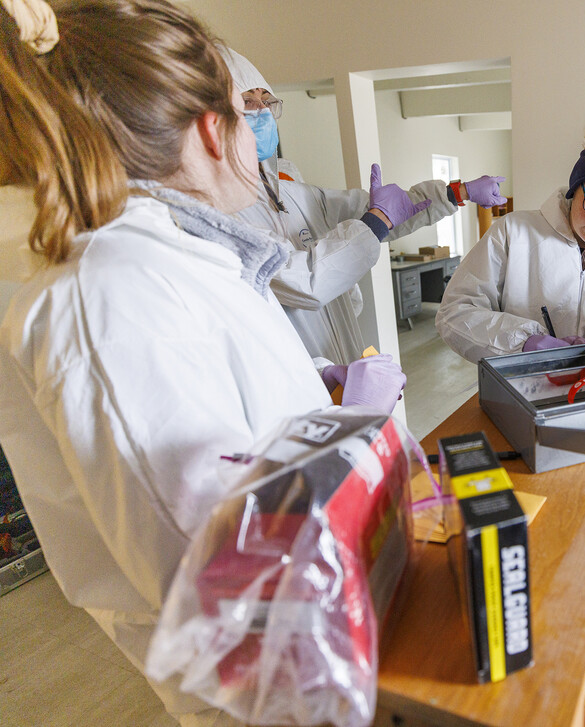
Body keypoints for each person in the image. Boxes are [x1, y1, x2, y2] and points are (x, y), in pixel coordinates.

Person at [0, 1, 403, 724]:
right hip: (283, 691)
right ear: (212, 132)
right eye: (250, 119)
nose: (261, 141)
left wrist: (308, 401)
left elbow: (220, 443)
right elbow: (231, 583)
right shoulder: (109, 291)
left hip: (332, 630)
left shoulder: (175, 258)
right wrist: (348, 435)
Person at [221, 47, 508, 366]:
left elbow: (389, 211)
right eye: (248, 101)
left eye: (267, 100)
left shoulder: (294, 194)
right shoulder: (223, 215)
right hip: (300, 374)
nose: (262, 111)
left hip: (340, 361)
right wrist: (378, 219)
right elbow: (307, 282)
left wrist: (457, 191)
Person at [435, 125, 585, 363]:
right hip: (520, 390)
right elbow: (454, 314)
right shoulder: (514, 233)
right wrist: (524, 344)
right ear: (575, 188)